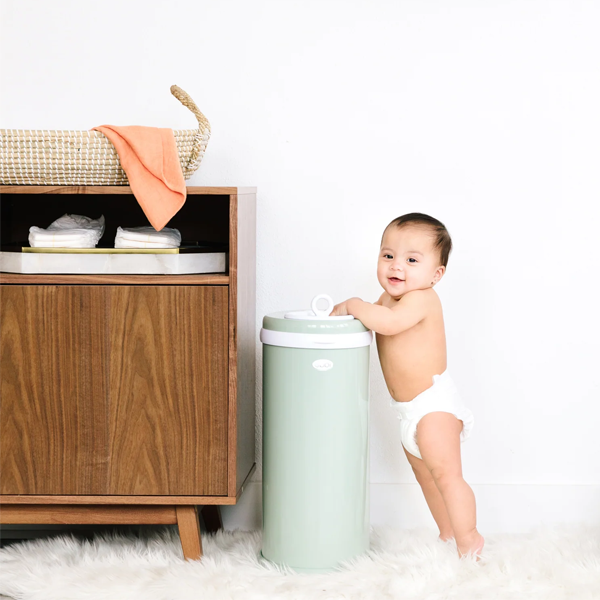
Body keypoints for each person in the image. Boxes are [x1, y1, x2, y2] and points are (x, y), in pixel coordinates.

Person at [330, 212, 485, 560]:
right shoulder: (384, 300)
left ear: (436, 274)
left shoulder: (421, 299)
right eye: (388, 255)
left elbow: (388, 325)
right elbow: (376, 319)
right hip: (408, 412)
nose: (396, 266)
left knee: (447, 476)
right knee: (426, 478)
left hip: (433, 405)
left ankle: (469, 537)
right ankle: (448, 532)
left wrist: (354, 305)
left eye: (411, 260)